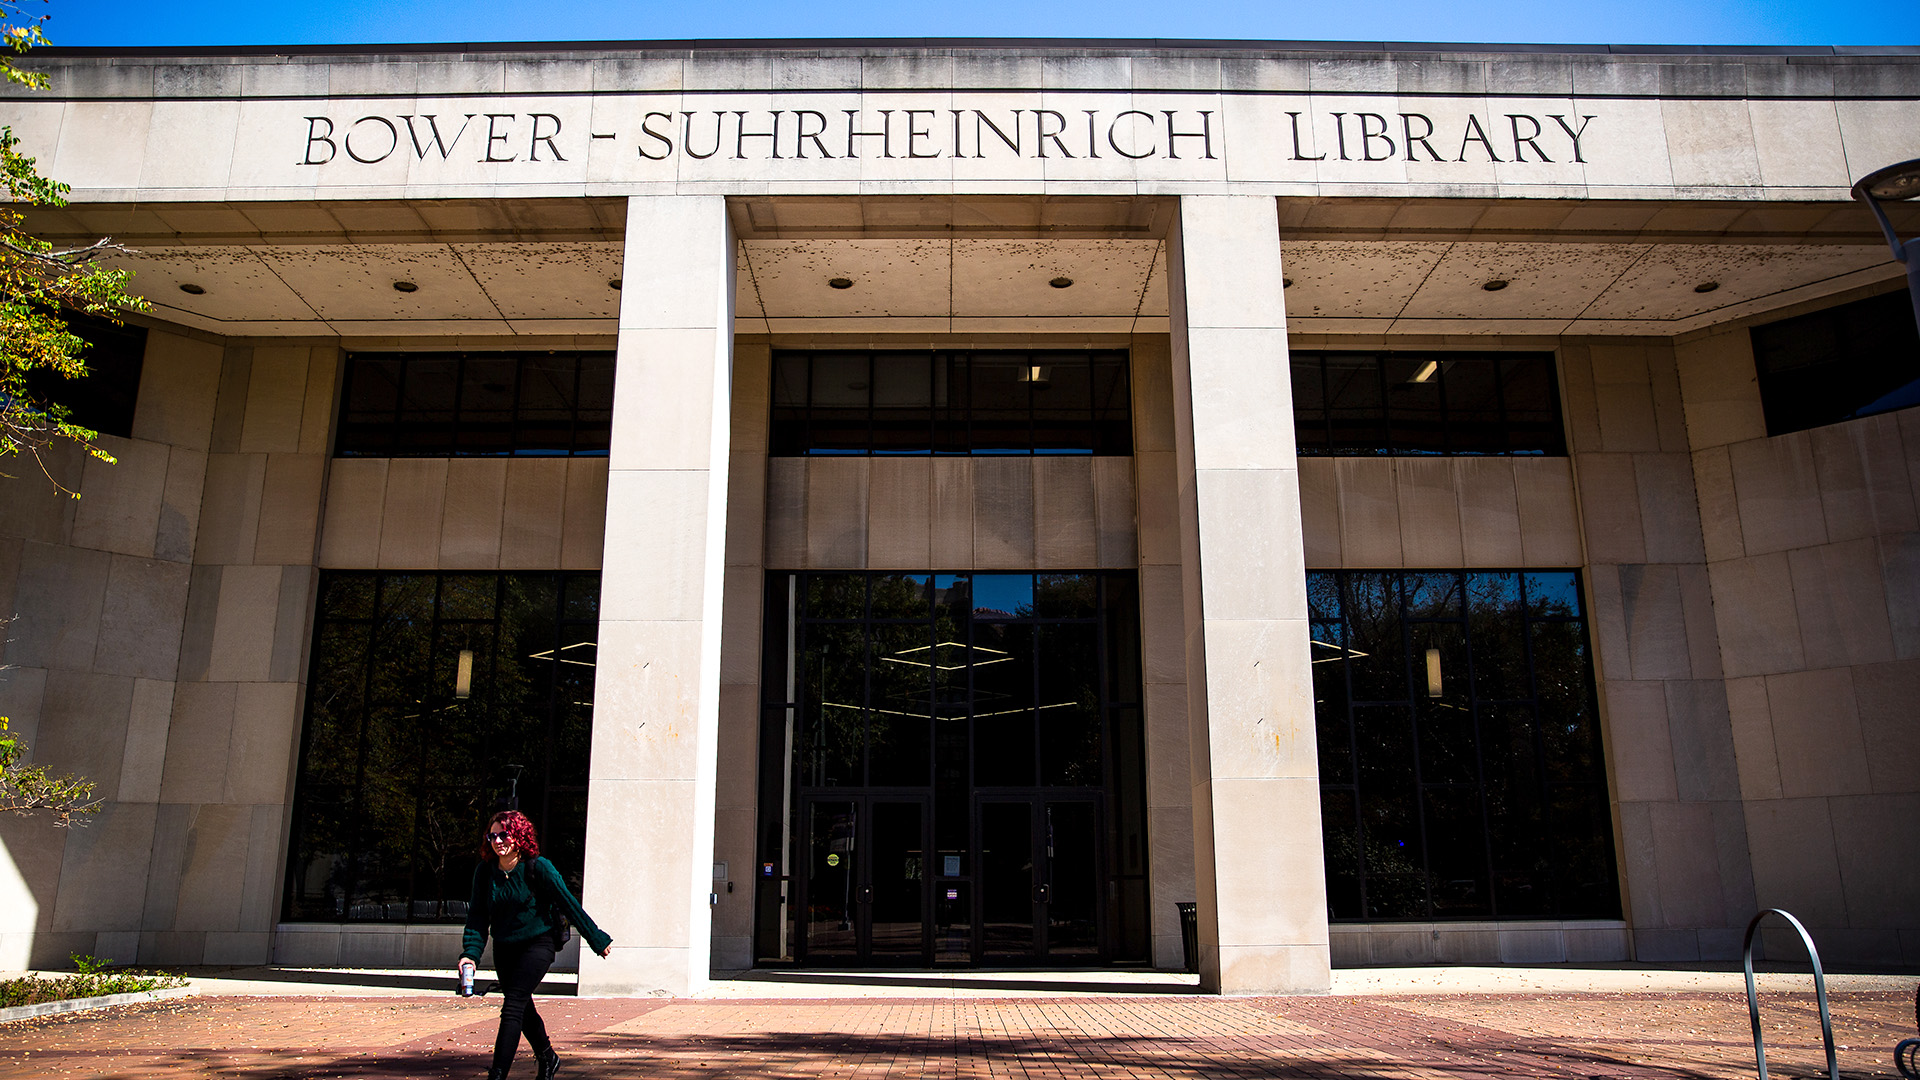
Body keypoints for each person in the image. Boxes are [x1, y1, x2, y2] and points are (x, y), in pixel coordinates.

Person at [459, 811, 612, 1080]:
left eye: (504, 834)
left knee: (513, 1005)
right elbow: (478, 917)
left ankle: (497, 1075)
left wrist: (596, 938)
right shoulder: (485, 871)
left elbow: (569, 903)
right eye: (492, 836)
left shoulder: (538, 867)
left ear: (519, 836)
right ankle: (548, 1057)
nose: (498, 841)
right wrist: (470, 955)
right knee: (522, 1005)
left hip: (538, 944)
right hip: (505, 948)